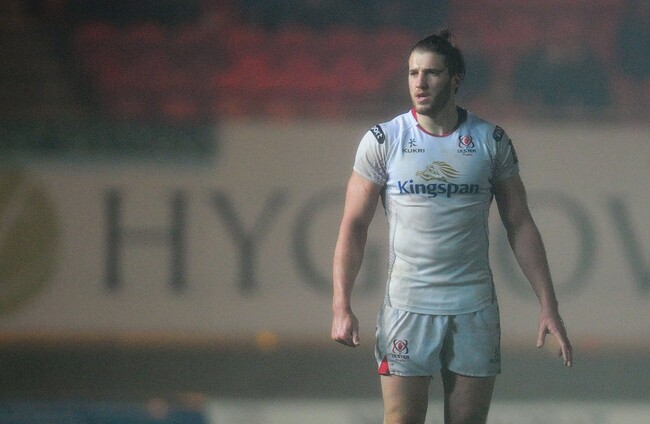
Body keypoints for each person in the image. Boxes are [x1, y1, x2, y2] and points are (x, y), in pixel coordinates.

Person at [331, 30, 572, 424]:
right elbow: (354, 224)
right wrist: (341, 305)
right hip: (407, 306)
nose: (420, 83)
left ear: (456, 79)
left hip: (473, 308)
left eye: (431, 73)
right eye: (413, 73)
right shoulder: (384, 140)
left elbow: (519, 222)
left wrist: (549, 305)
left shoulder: (490, 140)